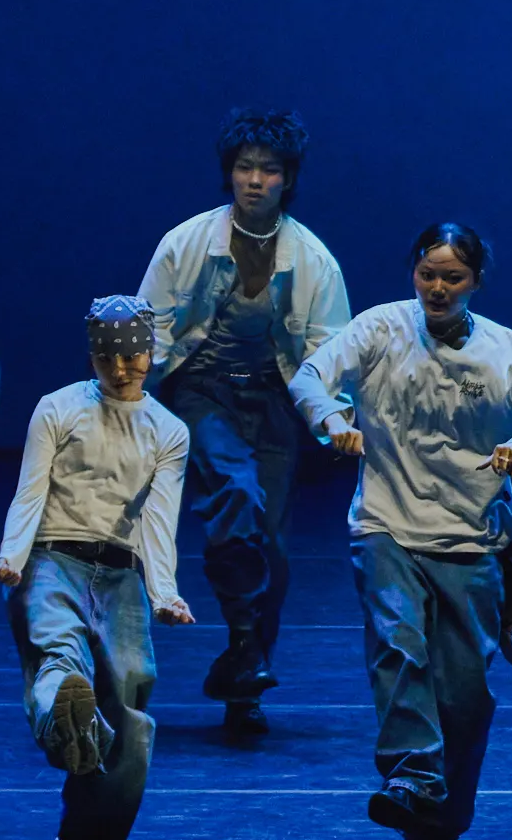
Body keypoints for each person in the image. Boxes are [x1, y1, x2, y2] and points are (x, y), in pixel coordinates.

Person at [290, 224, 512, 840]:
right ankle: (413, 774)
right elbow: (310, 377)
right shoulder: (380, 329)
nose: (438, 288)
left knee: (463, 696)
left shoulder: (503, 350)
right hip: (386, 523)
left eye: (453, 277)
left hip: (470, 535)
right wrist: (332, 418)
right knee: (398, 643)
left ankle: (438, 826)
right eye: (427, 274)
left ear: (475, 282)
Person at [137, 108, 351, 736]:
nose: (255, 180)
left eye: (269, 170)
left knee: (274, 548)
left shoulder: (312, 259)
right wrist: (126, 407)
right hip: (201, 392)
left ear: (289, 179)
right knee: (236, 490)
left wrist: (334, 424)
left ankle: (247, 674)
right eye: (244, 168)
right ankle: (242, 640)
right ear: (229, 173)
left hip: (274, 401)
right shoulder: (186, 244)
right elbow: (149, 333)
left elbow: (329, 356)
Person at [0, 297, 193, 840]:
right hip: (51, 558)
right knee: (59, 656)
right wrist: (12, 555)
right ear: (92, 356)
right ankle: (62, 719)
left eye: (131, 356)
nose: (121, 368)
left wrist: (164, 592)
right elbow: (30, 490)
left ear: (151, 353)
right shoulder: (58, 408)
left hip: (120, 575)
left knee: (127, 715)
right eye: (108, 357)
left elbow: (159, 519)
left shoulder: (168, 431)